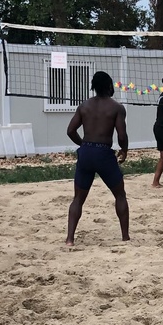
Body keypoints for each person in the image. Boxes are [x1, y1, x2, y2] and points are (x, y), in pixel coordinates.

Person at [65, 70, 130, 247]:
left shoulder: (84, 106)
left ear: (94, 87)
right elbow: (122, 135)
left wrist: (84, 145)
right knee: (120, 195)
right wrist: (124, 150)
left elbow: (70, 130)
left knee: (78, 198)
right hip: (104, 153)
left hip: (86, 152)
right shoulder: (116, 107)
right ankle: (125, 237)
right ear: (110, 86)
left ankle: (70, 239)